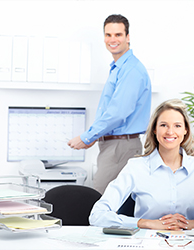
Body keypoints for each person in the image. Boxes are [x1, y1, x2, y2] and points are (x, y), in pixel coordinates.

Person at [89, 99, 194, 230]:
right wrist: (145, 223)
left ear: (185, 130)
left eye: (177, 126)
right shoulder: (136, 167)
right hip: (147, 241)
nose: (170, 132)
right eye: (163, 125)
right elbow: (97, 215)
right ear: (154, 129)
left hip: (188, 242)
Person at [68, 14, 152, 194]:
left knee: (97, 200)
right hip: (115, 146)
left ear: (128, 37)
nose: (112, 40)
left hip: (121, 147)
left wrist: (87, 137)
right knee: (109, 203)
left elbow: (118, 113)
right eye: (108, 35)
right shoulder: (118, 68)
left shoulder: (131, 70)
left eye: (118, 35)